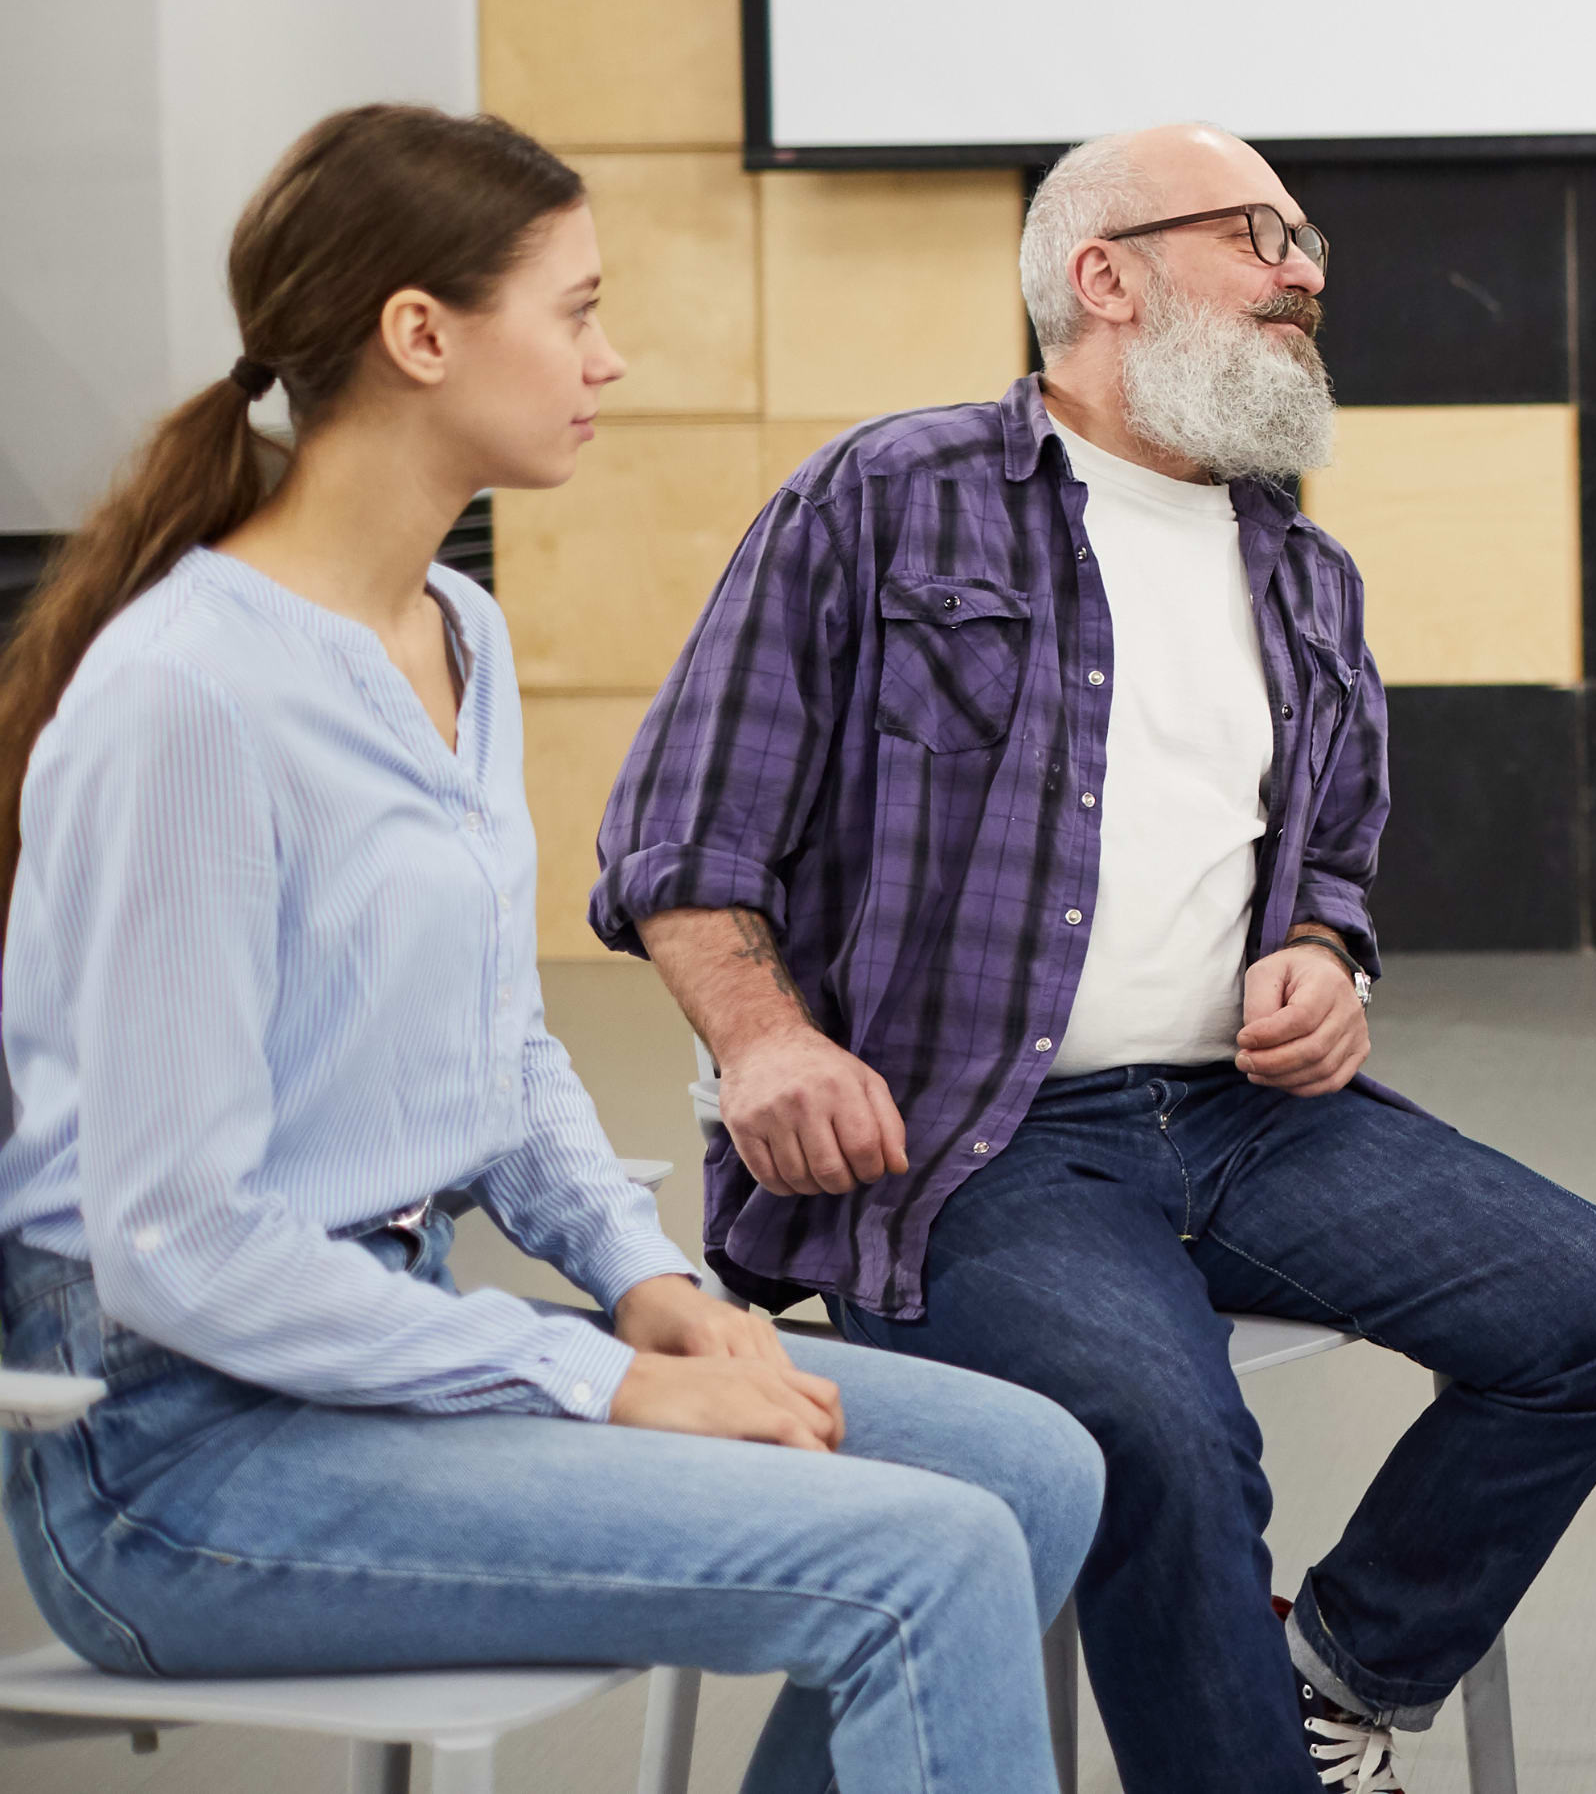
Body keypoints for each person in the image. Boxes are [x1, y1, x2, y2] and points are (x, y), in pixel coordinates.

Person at [0, 105, 1101, 1794]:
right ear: (420, 335)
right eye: (574, 310)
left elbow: (500, 1047)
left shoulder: (460, 630)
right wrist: (580, 1379)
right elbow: (176, 1244)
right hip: (173, 1459)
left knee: (1033, 1466)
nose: (612, 355)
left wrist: (645, 1288)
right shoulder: (188, 700)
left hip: (386, 1349)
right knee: (922, 1564)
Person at [591, 121, 1596, 1794]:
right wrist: (764, 1043)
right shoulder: (890, 498)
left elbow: (1327, 865)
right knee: (1162, 1437)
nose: (1307, 268)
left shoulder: (1307, 574)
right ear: (1103, 276)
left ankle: (1328, 1672)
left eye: (1309, 236)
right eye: (1260, 231)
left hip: (1247, 1121)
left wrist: (1325, 960)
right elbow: (679, 832)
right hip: (979, 1141)